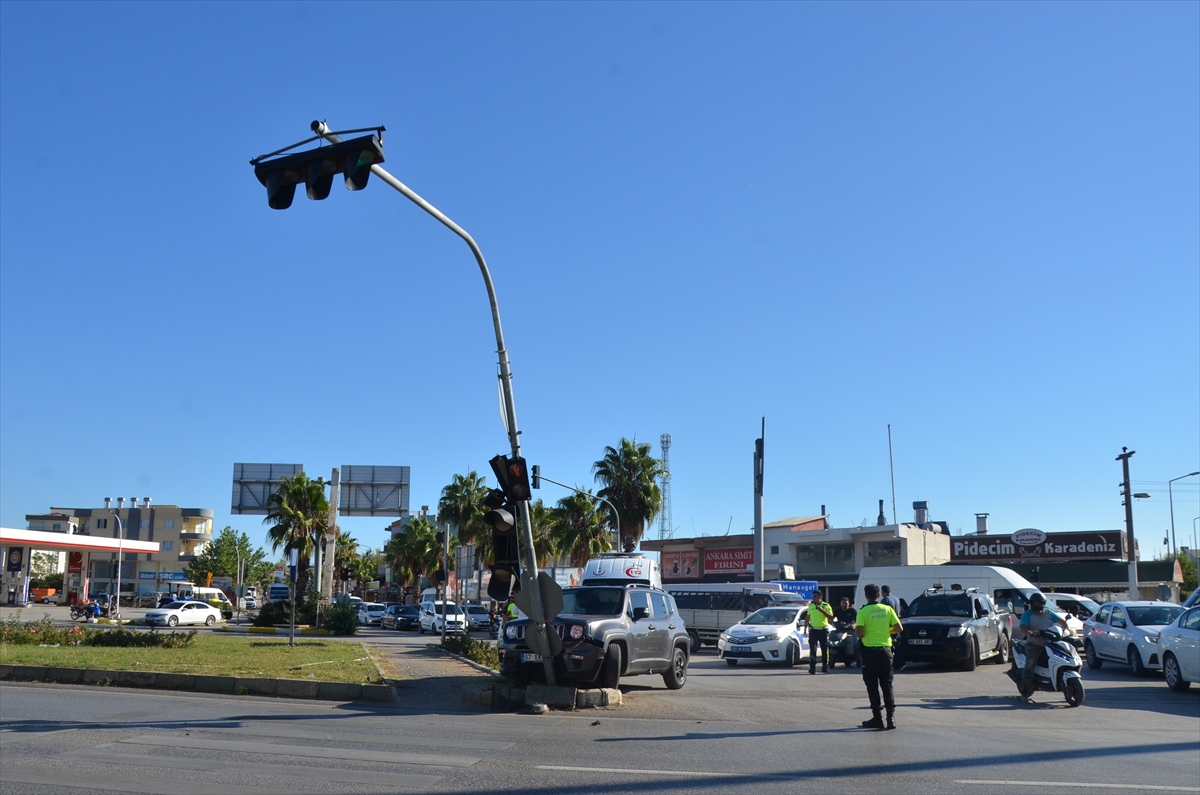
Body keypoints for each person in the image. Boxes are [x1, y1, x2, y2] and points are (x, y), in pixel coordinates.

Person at [856, 583, 902, 730]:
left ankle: (877, 718)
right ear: (878, 595)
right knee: (887, 685)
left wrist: (869, 632)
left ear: (866, 596)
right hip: (886, 651)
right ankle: (891, 718)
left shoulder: (863, 611)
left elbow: (859, 633)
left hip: (870, 652)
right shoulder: (887, 609)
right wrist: (886, 631)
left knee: (872, 686)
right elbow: (899, 628)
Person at [1017, 592, 1068, 702]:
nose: (1036, 604)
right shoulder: (1027, 614)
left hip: (1050, 643)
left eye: (1038, 602)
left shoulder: (1049, 613)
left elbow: (1061, 621)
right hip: (1034, 643)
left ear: (1043, 603)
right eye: (1034, 602)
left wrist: (1066, 628)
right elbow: (1023, 628)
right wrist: (1031, 633)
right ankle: (1025, 690)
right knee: (1030, 664)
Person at [806, 590, 835, 674]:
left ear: (820, 597)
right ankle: (812, 667)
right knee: (813, 649)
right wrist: (805, 628)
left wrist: (822, 611)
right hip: (813, 630)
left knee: (824, 649)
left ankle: (824, 666)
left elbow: (831, 617)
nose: (813, 598)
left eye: (815, 596)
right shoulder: (811, 605)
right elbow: (808, 617)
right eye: (813, 596)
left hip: (823, 630)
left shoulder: (826, 605)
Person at [880, 585, 906, 671]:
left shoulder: (885, 600)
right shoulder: (896, 599)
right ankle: (896, 663)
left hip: (888, 625)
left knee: (890, 645)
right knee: (894, 643)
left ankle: (900, 663)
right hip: (896, 622)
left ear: (883, 591)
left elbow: (883, 614)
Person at [835, 596, 861, 667]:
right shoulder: (837, 610)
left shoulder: (852, 611)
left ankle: (859, 661)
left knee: (855, 644)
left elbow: (858, 620)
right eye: (843, 603)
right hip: (840, 630)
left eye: (846, 603)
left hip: (850, 630)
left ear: (848, 603)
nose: (844, 605)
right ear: (840, 603)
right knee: (834, 641)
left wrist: (853, 625)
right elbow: (832, 618)